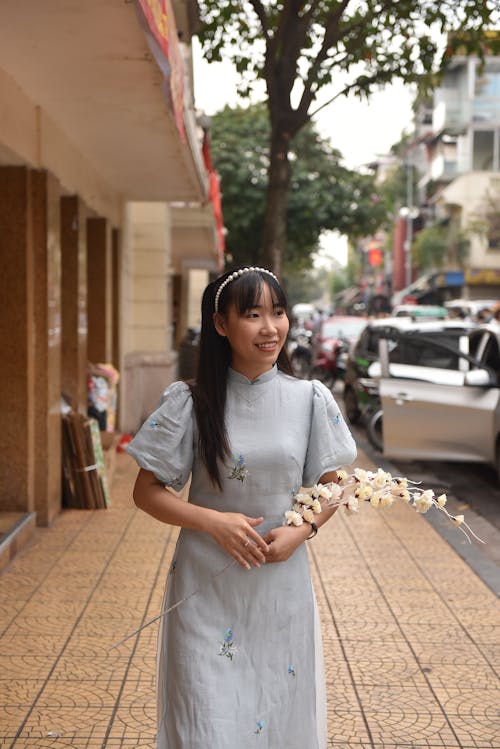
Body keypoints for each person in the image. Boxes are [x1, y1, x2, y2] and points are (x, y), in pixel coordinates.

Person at [127, 266, 357, 749]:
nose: (270, 327)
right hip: (204, 590)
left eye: (278, 313)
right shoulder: (189, 402)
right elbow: (145, 491)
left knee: (277, 716)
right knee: (205, 722)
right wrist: (212, 521)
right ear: (221, 324)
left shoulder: (309, 399)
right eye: (253, 314)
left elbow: (335, 485)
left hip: (279, 591)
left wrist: (302, 532)